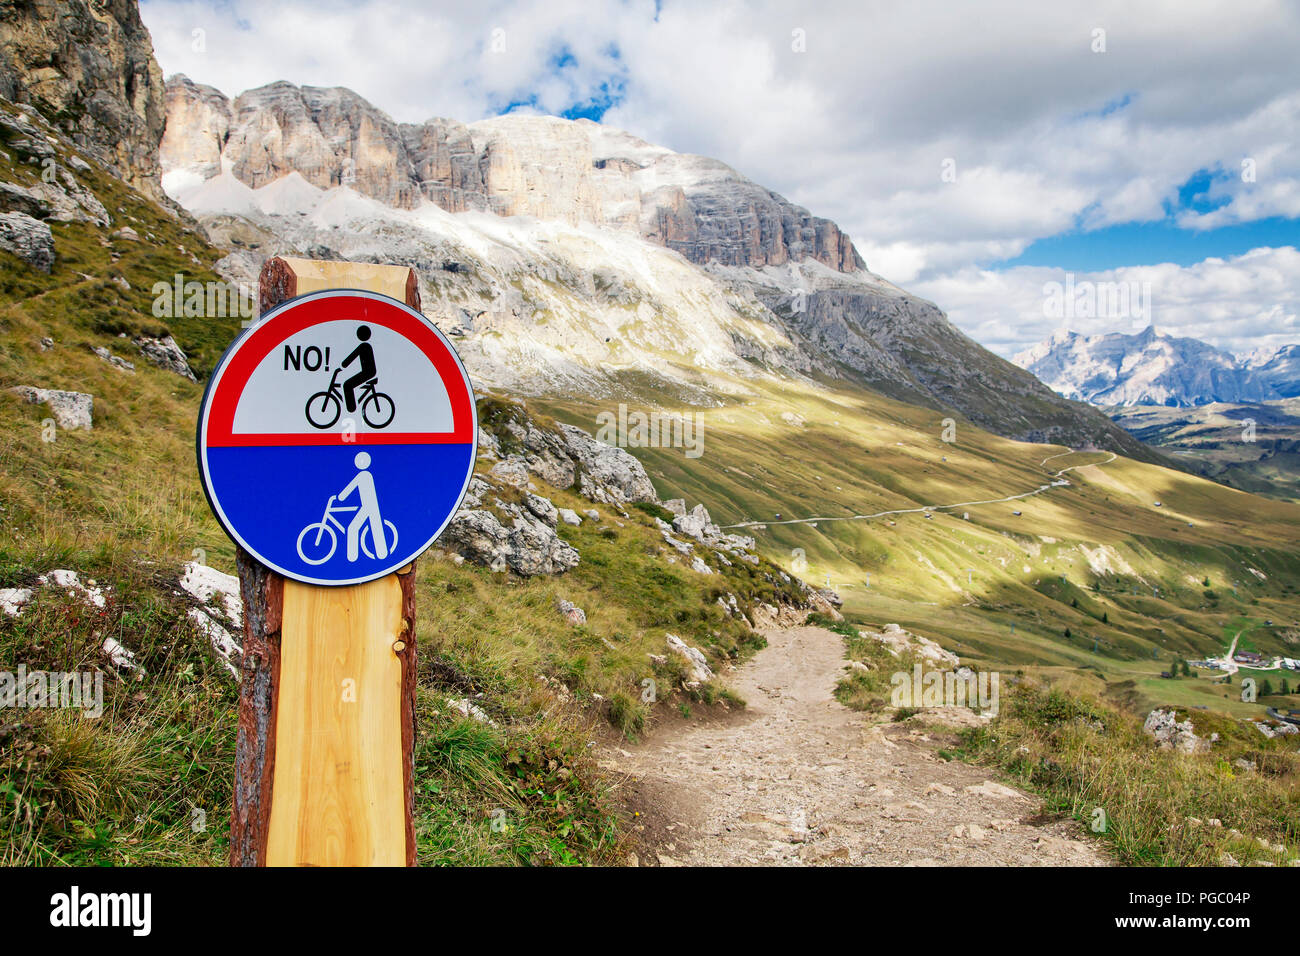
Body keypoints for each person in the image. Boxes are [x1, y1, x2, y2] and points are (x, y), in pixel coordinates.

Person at [337, 451, 387, 561]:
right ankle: (382, 554)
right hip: (371, 506)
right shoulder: (366, 475)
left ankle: (352, 558)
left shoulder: (363, 475)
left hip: (368, 507)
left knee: (352, 528)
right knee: (376, 529)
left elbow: (349, 489)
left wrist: (340, 498)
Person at [341, 325, 377, 413]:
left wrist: (343, 365)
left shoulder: (364, 346)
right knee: (349, 384)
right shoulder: (366, 346)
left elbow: (351, 357)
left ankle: (351, 408)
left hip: (368, 372)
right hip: (368, 372)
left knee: (347, 385)